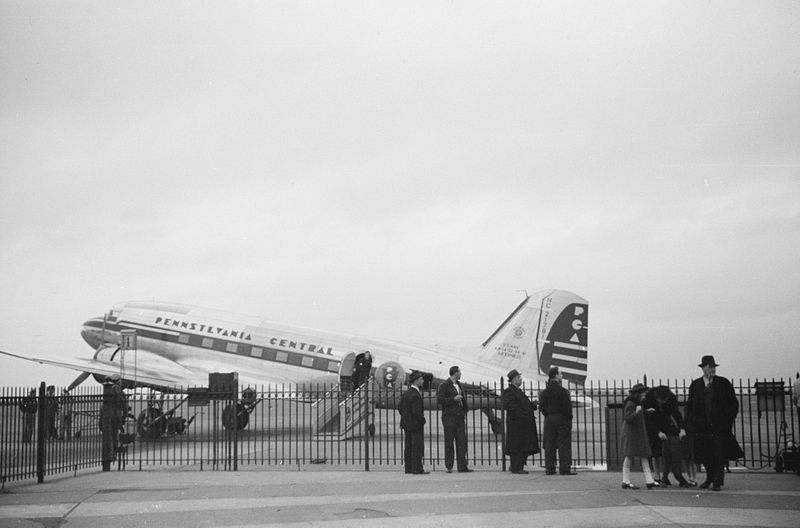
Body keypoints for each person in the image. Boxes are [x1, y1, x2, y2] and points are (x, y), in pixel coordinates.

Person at [685, 355, 743, 491]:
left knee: (719, 454)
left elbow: (733, 404)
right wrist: (692, 421)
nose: (712, 369)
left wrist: (727, 421)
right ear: (703, 368)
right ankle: (709, 477)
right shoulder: (696, 385)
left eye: (713, 367)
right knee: (706, 454)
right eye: (709, 367)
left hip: (719, 426)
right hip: (702, 426)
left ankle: (718, 480)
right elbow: (690, 405)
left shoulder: (723, 383)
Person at [649, 385, 695, 487]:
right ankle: (659, 476)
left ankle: (664, 477)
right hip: (654, 424)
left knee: (667, 453)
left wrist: (681, 428)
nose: (664, 402)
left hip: (666, 424)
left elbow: (676, 413)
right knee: (656, 453)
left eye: (665, 399)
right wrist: (658, 432)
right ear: (657, 398)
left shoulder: (671, 398)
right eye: (662, 400)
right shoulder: (650, 399)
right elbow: (650, 420)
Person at [620, 383, 659, 489]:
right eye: (643, 393)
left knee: (639, 455)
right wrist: (638, 412)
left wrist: (645, 412)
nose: (644, 395)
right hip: (633, 433)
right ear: (638, 394)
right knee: (633, 455)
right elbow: (628, 418)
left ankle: (645, 480)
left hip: (635, 433)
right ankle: (628, 481)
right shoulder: (631, 404)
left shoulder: (634, 403)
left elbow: (634, 416)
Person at [539, 366, 575, 475]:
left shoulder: (544, 392)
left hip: (549, 419)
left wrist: (548, 415)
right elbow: (567, 408)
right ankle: (564, 468)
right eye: (560, 374)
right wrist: (568, 418)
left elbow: (542, 408)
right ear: (555, 375)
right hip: (562, 419)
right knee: (563, 444)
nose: (562, 376)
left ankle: (550, 468)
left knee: (550, 444)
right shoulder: (564, 392)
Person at [502, 369, 540, 474]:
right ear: (514, 380)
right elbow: (511, 407)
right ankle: (516, 467)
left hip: (522, 424)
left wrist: (532, 405)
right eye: (519, 377)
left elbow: (523, 405)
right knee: (517, 446)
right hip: (517, 424)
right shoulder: (509, 391)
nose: (521, 379)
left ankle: (518, 466)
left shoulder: (518, 391)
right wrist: (523, 415)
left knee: (522, 446)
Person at [437, 365, 472, 473]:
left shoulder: (459, 385)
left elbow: (462, 399)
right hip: (449, 417)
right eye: (459, 372)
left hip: (459, 417)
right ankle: (449, 466)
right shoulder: (444, 385)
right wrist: (453, 399)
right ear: (455, 373)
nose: (461, 374)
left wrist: (465, 410)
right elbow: (440, 399)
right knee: (449, 442)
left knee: (461, 442)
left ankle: (462, 466)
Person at [399, 371, 427, 474]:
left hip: (406, 424)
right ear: (416, 381)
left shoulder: (407, 393)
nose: (423, 381)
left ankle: (409, 467)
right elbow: (416, 412)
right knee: (417, 447)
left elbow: (400, 407)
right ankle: (417, 468)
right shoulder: (415, 394)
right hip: (415, 425)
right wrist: (422, 420)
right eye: (421, 379)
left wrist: (406, 417)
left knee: (408, 446)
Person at [100, 374, 127, 471]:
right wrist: (124, 417)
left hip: (108, 414)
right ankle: (114, 454)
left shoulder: (109, 391)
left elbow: (103, 406)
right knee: (115, 435)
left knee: (108, 436)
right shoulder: (121, 392)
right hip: (118, 415)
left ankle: (108, 457)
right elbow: (125, 406)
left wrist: (100, 421)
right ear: (118, 381)